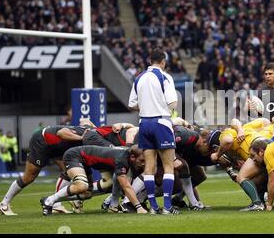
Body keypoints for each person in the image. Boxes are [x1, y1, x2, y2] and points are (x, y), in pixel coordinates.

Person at [128, 48, 179, 215]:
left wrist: (146, 107)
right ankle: (167, 207)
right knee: (168, 165)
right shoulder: (165, 76)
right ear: (163, 62)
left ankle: (153, 208)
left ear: (150, 61)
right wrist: (163, 109)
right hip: (161, 122)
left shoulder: (139, 78)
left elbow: (132, 104)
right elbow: (172, 102)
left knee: (149, 167)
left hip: (144, 124)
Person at [0, 125, 88, 215]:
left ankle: (56, 204)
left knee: (69, 170)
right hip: (42, 142)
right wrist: (80, 138)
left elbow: (85, 122)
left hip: (56, 146)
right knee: (29, 177)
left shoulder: (93, 132)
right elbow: (61, 132)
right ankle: (4, 204)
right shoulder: (89, 136)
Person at [40, 145, 147, 216]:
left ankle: (50, 199)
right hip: (75, 155)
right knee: (82, 185)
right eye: (142, 160)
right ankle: (49, 201)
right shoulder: (122, 159)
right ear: (132, 157)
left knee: (87, 194)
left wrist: (114, 203)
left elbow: (117, 178)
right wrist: (138, 207)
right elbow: (126, 186)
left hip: (85, 162)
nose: (143, 164)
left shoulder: (126, 156)